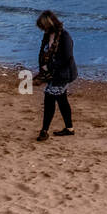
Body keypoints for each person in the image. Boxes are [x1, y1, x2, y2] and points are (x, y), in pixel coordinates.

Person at [35, 10, 76, 142]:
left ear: (50, 23)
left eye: (44, 26)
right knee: (62, 100)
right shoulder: (48, 35)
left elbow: (66, 57)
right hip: (52, 74)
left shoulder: (65, 36)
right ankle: (69, 129)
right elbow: (43, 52)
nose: (43, 29)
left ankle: (44, 130)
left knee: (49, 99)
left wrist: (49, 67)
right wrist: (42, 69)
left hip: (63, 74)